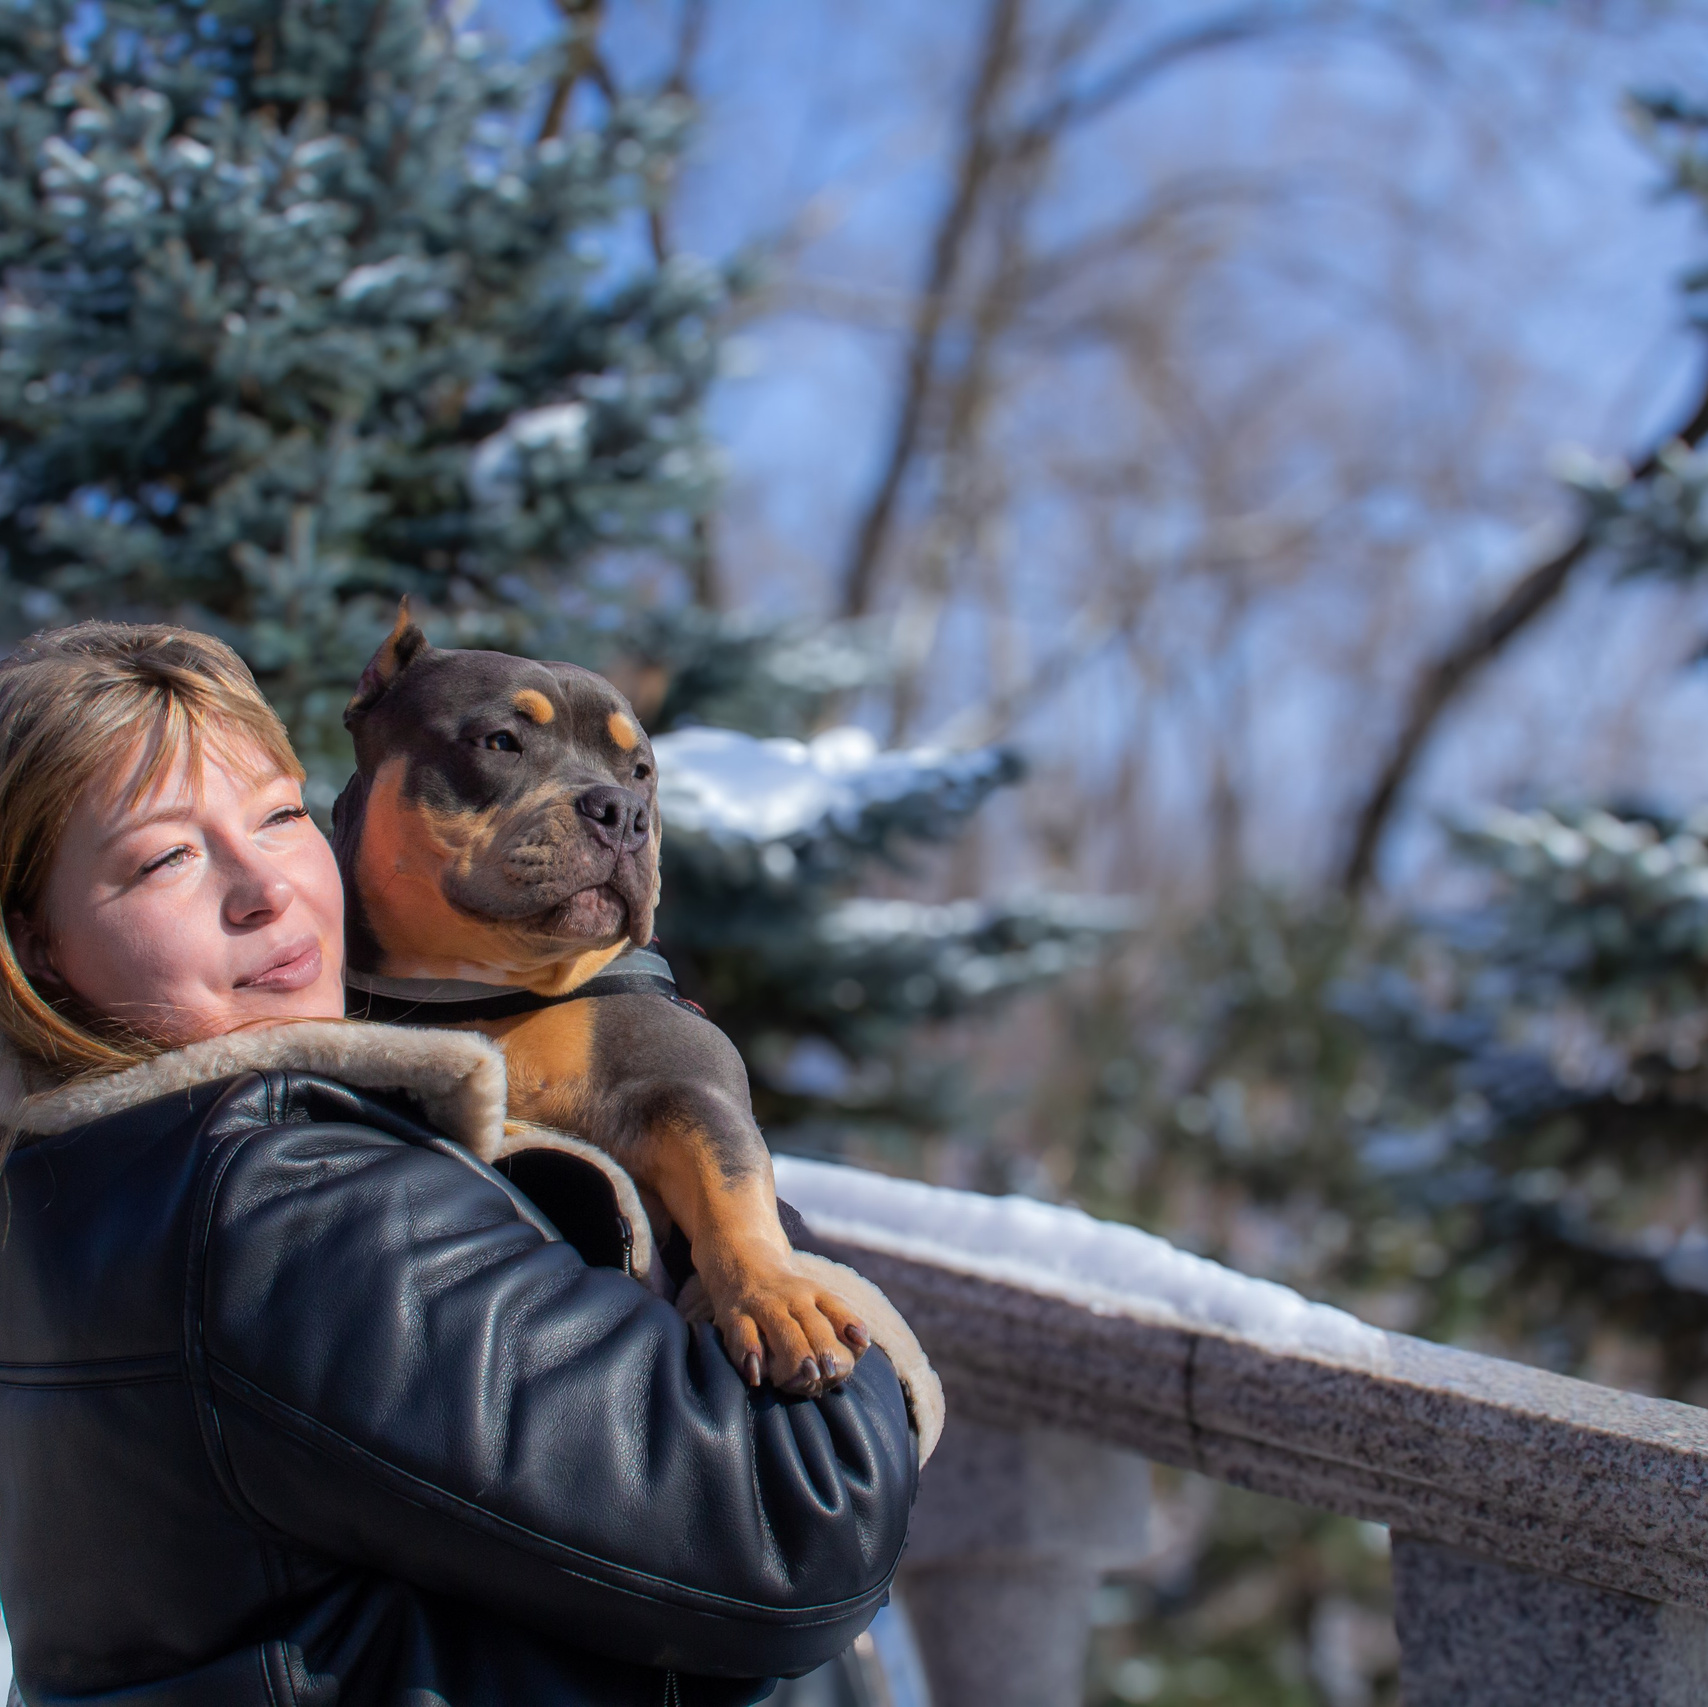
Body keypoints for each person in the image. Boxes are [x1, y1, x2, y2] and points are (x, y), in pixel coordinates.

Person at [0, 623, 921, 1707]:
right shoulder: (279, 1203)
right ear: (34, 939)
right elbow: (805, 1520)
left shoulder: (83, 1187)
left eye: (280, 815)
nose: (265, 887)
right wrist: (774, 1257)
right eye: (167, 857)